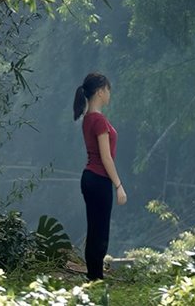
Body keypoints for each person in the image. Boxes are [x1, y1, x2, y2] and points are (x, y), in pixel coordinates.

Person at [72, 72, 127, 281]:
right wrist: (119, 185)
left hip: (89, 178)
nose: (109, 94)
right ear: (101, 91)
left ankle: (93, 275)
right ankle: (96, 277)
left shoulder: (88, 119)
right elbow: (106, 158)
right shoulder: (99, 121)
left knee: (94, 228)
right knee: (100, 230)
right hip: (99, 179)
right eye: (108, 90)